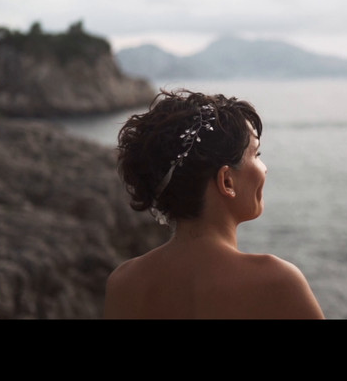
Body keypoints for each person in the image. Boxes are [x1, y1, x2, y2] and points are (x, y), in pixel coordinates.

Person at [103, 89, 324, 319]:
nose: (265, 167)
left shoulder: (124, 284)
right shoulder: (278, 282)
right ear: (226, 181)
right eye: (257, 154)